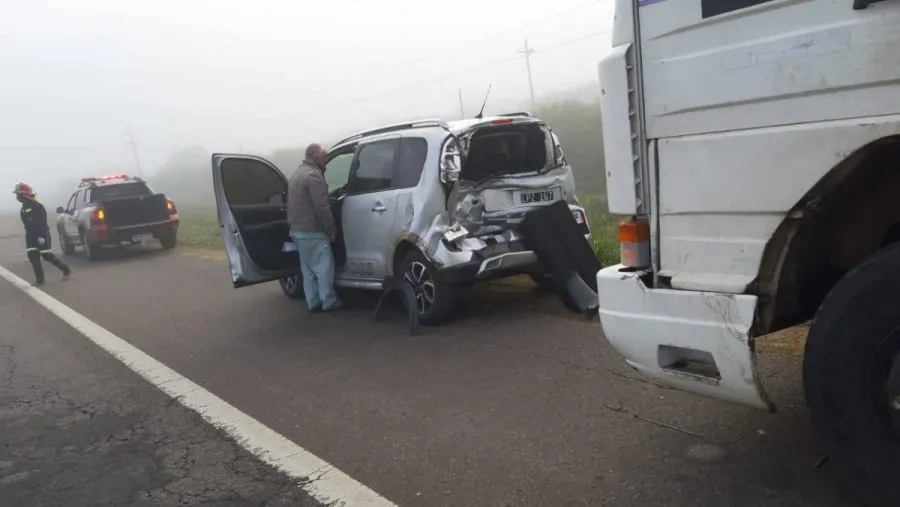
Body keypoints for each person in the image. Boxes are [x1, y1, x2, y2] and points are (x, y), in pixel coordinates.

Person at [287, 143, 344, 313]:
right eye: (324, 157)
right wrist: (331, 228)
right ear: (316, 157)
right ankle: (329, 301)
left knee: (308, 270)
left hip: (297, 231)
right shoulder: (313, 176)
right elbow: (322, 206)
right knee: (324, 268)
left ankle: (313, 301)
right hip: (313, 230)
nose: (326, 160)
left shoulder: (296, 174)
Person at [13, 183, 71, 286]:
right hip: (30, 235)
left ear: (24, 194)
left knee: (46, 255)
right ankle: (40, 279)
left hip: (41, 234)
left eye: (18, 194)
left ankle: (65, 269)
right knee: (33, 257)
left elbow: (41, 222)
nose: (17, 197)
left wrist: (40, 236)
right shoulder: (24, 208)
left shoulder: (37, 206)